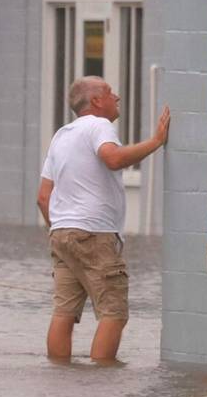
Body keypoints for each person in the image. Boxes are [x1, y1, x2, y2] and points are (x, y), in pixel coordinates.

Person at [37, 76, 170, 364]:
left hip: (61, 234)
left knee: (64, 313)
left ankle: (60, 374)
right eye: (110, 92)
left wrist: (63, 231)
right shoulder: (99, 125)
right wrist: (156, 141)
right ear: (96, 101)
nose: (117, 97)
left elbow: (43, 197)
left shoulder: (61, 135)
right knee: (114, 312)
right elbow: (113, 158)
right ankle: (103, 379)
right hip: (94, 234)